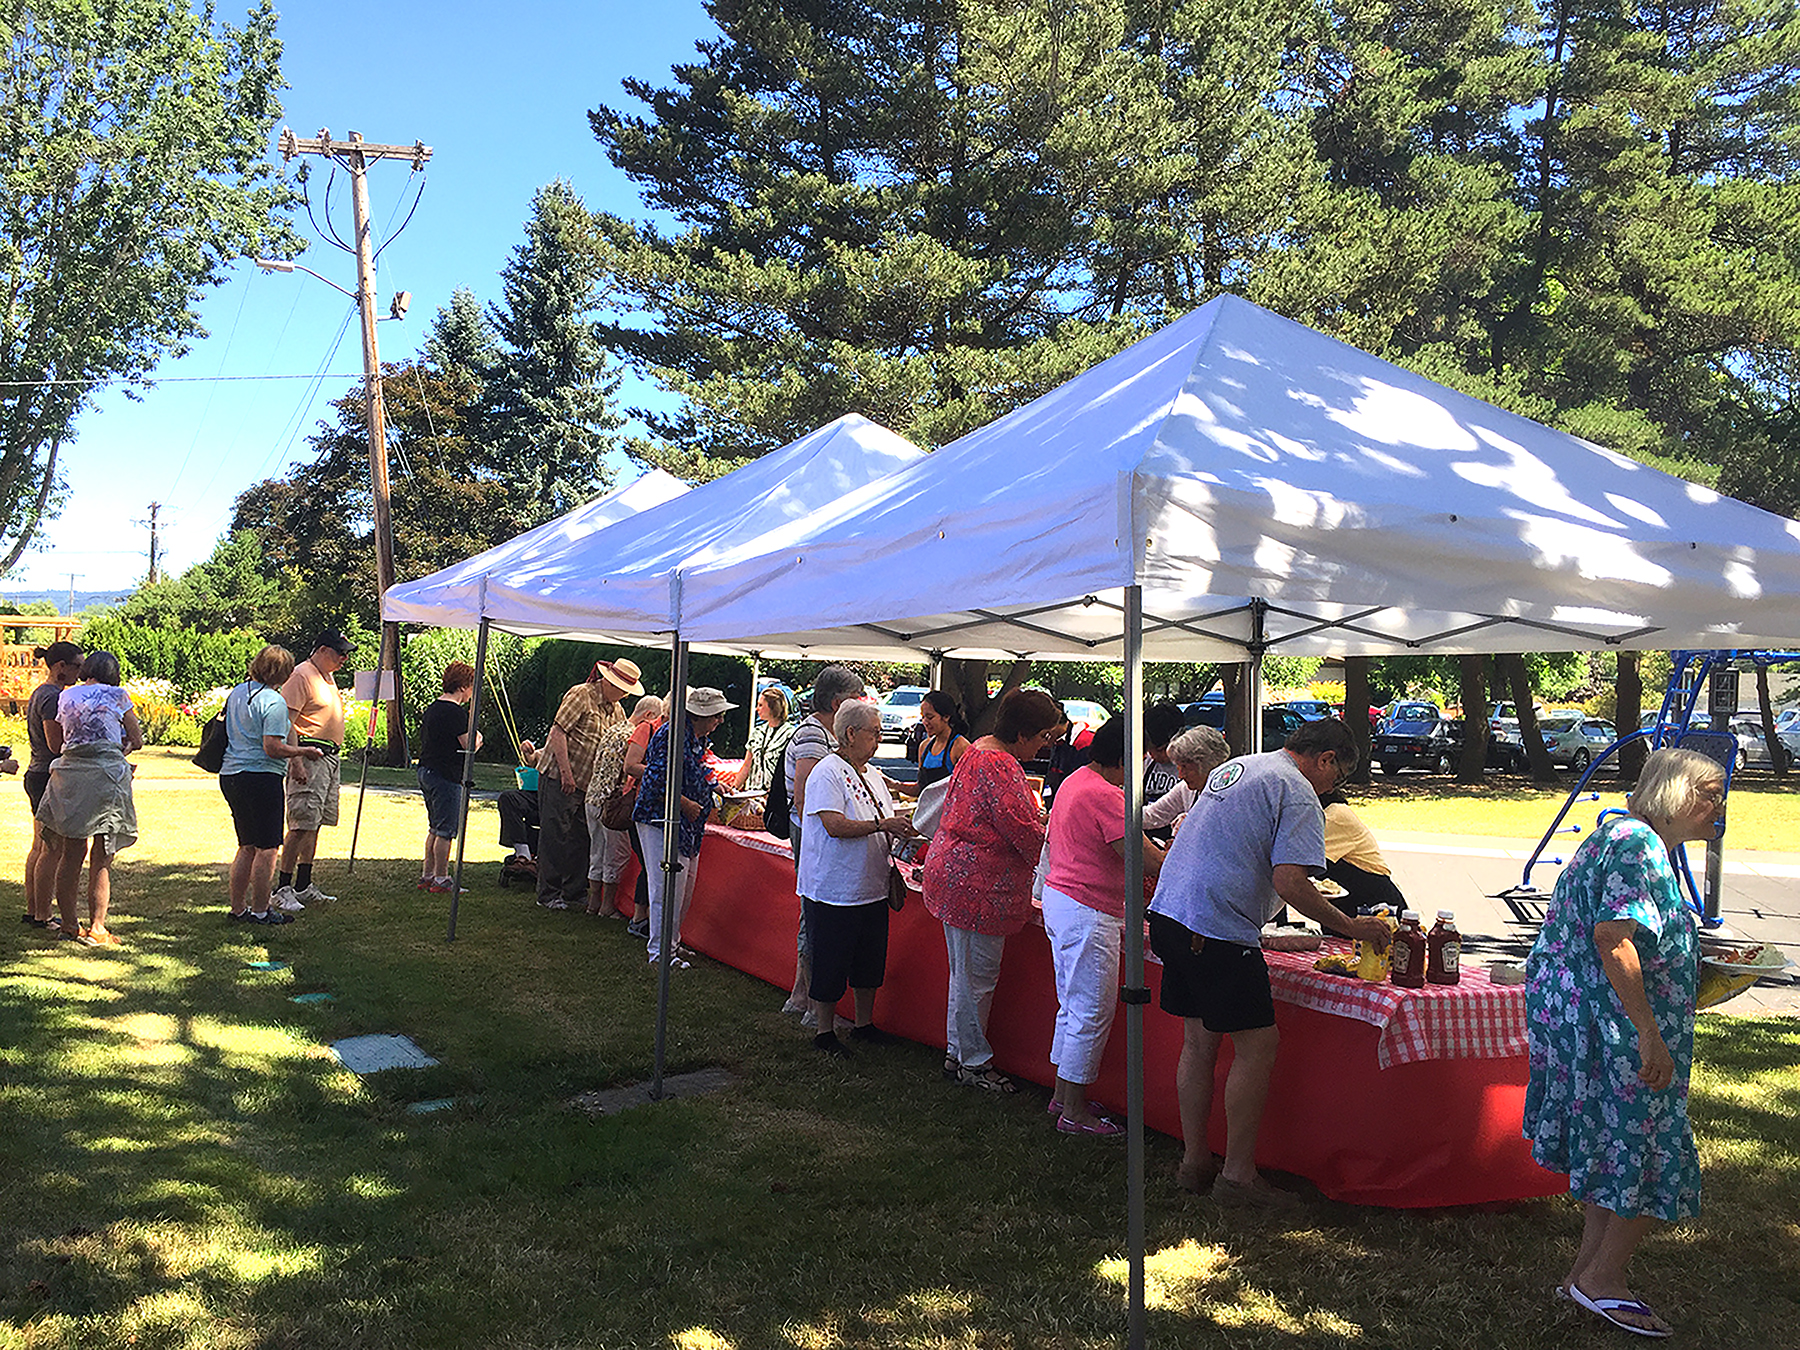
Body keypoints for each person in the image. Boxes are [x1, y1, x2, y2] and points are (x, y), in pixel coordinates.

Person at [1147, 717, 1392, 1203]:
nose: (1333, 787)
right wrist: (1352, 926)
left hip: (1171, 915)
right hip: (1214, 927)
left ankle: (1194, 1161)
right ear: (1325, 758)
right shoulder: (1297, 791)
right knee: (1258, 1044)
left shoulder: (1243, 765)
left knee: (1198, 1042)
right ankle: (1237, 1176)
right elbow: (1291, 882)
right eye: (1338, 775)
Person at [1523, 748, 1720, 1338]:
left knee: (1613, 1147)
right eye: (1711, 794)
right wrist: (1650, 1035)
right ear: (1678, 794)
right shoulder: (1639, 845)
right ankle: (1605, 1278)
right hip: (1615, 1028)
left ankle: (1584, 1276)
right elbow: (1613, 938)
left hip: (1591, 1020)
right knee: (1648, 1142)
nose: (1720, 806)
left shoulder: (1620, 834)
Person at [921, 689, 1062, 1091]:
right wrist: (1057, 840)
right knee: (976, 980)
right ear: (1021, 734)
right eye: (1043, 737)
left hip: (957, 877)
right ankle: (974, 1064)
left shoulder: (979, 749)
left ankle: (957, 1054)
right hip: (977, 886)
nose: (1044, 746)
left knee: (964, 976)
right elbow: (1020, 828)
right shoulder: (1000, 764)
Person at [1040, 717, 1174, 1134]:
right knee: (1091, 1011)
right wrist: (1176, 859)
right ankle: (1074, 1111)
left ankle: (1063, 1095)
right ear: (1123, 759)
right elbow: (1138, 854)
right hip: (1088, 908)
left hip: (1063, 900)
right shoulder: (1105, 794)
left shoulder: (1077, 779)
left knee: (1072, 1006)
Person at [798, 700, 917, 1055]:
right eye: (874, 733)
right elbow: (834, 825)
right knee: (831, 959)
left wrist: (901, 827)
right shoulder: (827, 772)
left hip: (870, 886)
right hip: (835, 887)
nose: (879, 740)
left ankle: (864, 1024)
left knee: (869, 960)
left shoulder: (873, 774)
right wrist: (882, 825)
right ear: (850, 734)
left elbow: (881, 817)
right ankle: (824, 1029)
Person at [37, 651, 142, 946]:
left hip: (71, 775)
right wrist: (122, 748)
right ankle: (97, 927)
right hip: (106, 778)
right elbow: (136, 738)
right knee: (102, 854)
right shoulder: (118, 695)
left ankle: (69, 924)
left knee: (71, 853)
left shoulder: (66, 696)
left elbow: (63, 739)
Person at [781, 665, 866, 1018]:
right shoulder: (814, 734)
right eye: (855, 699)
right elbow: (805, 797)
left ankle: (803, 996)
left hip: (817, 834)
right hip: (815, 836)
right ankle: (811, 1003)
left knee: (814, 912)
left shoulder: (823, 733)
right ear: (836, 703)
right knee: (815, 911)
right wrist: (825, 837)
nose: (860, 704)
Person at [221, 646, 324, 924]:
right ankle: (261, 910)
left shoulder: (238, 693)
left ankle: (238, 909)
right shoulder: (274, 702)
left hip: (231, 774)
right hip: (261, 776)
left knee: (246, 845)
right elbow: (272, 747)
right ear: (284, 673)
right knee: (267, 848)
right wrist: (304, 752)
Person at [632, 687, 733, 969]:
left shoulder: (695, 738)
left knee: (682, 889)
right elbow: (654, 781)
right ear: (699, 715)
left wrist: (716, 785)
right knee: (666, 889)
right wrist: (684, 803)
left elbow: (697, 768)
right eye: (717, 715)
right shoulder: (671, 736)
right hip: (659, 820)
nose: (720, 720)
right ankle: (660, 953)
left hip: (686, 826)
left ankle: (671, 945)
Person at [537, 657, 642, 910]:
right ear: (610, 682)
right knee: (555, 835)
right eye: (623, 690)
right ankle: (548, 894)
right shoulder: (580, 695)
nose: (625, 695)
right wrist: (566, 774)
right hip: (560, 777)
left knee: (581, 838)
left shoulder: (617, 709)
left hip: (589, 786)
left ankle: (573, 891)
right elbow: (558, 732)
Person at [276, 633, 352, 911]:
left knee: (315, 821)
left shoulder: (327, 676)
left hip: (328, 759)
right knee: (300, 823)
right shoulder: (301, 675)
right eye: (340, 653)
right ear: (321, 650)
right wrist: (295, 760)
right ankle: (282, 887)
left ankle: (303, 885)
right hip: (308, 757)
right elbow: (287, 722)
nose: (344, 658)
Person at [22, 639, 83, 929]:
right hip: (47, 775)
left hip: (37, 773)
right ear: (60, 667)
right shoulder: (53, 697)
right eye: (76, 667)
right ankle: (43, 915)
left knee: (40, 846)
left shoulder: (42, 692)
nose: (80, 674)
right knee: (51, 849)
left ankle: (34, 910)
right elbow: (55, 744)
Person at [586, 695, 663, 919]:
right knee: (616, 855)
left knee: (597, 853)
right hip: (615, 803)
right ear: (649, 715)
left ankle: (593, 903)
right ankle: (607, 906)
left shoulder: (614, 729)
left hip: (593, 797)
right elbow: (629, 770)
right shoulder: (635, 735)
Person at [416, 661, 483, 894]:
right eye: (472, 686)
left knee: (434, 827)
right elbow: (468, 746)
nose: (472, 692)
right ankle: (442, 878)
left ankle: (428, 874)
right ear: (463, 686)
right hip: (446, 775)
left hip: (427, 770)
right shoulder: (455, 712)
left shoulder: (433, 708)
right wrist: (478, 738)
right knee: (446, 830)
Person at [1317, 789, 1407, 917]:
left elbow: (1297, 858)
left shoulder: (1335, 815)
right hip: (1352, 902)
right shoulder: (1329, 814)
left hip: (1375, 902)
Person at [1142, 725, 1232, 837]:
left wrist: (1191, 823)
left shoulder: (1231, 793)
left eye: (1185, 767)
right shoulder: (1185, 789)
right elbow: (1153, 815)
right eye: (1179, 768)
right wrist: (1122, 813)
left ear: (1206, 763)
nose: (1180, 775)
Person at [730, 686, 794, 795]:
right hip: (754, 794)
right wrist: (733, 789)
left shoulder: (790, 734)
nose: (757, 709)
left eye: (760, 705)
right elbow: (747, 765)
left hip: (777, 796)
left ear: (772, 708)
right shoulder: (757, 732)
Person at [496, 739, 540, 888]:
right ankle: (523, 855)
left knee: (554, 803)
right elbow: (535, 759)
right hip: (539, 793)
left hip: (562, 796)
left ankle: (540, 858)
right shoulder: (557, 737)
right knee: (508, 798)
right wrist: (528, 753)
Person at [912, 690, 971, 793]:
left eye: (930, 717)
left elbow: (969, 788)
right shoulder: (924, 746)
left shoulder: (960, 746)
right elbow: (920, 789)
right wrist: (893, 784)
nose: (925, 722)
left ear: (946, 717)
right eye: (923, 717)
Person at [1142, 700, 1187, 804]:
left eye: (1161, 750)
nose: (1154, 755)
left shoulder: (1190, 768)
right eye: (1150, 750)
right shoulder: (1145, 764)